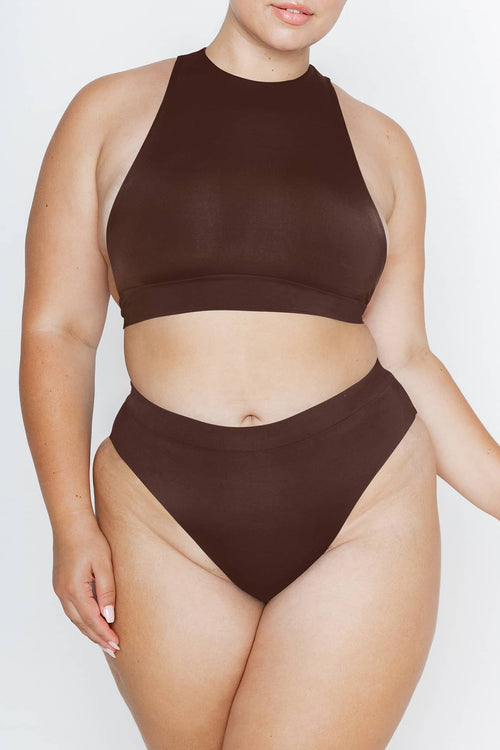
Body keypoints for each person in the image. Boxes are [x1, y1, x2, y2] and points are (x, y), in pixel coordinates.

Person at [19, 1, 500, 748]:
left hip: (363, 504)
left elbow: (407, 356)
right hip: (160, 515)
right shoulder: (108, 113)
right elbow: (60, 331)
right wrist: (69, 523)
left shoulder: (383, 145)